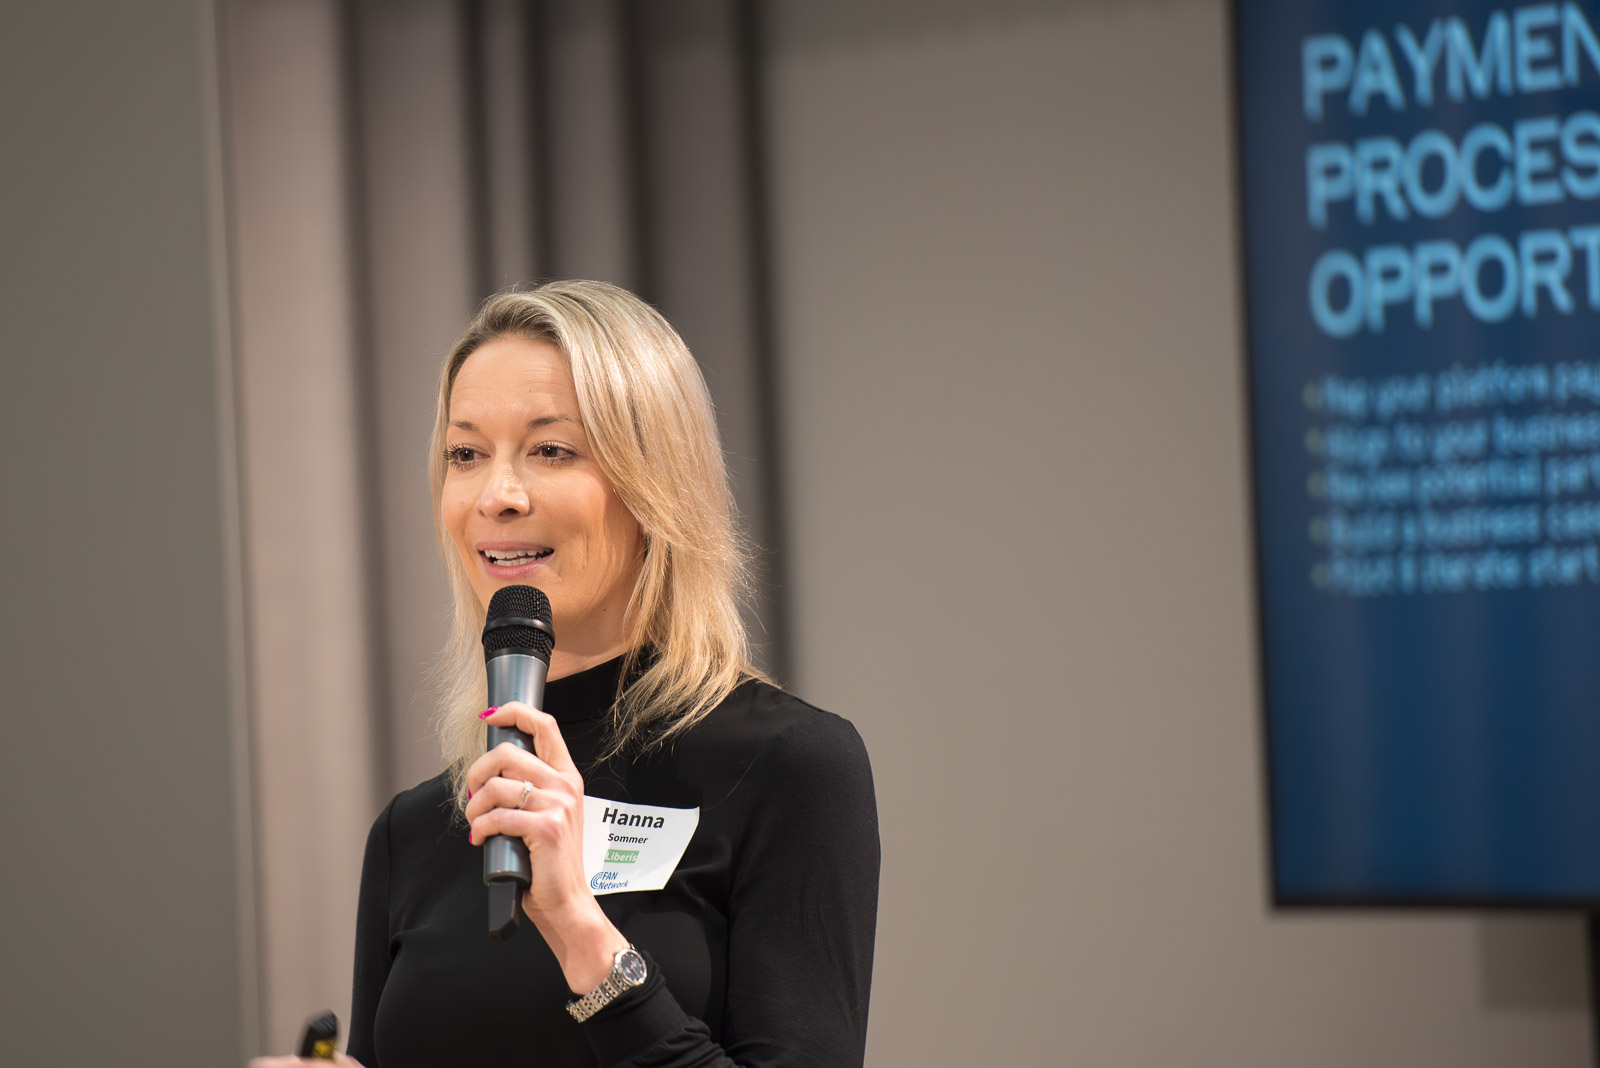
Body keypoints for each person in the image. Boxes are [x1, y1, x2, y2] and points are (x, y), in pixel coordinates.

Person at [252, 280, 879, 1068]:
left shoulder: (789, 766)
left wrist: (580, 928)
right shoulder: (411, 833)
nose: (497, 495)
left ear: (654, 485)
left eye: (551, 450)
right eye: (466, 454)